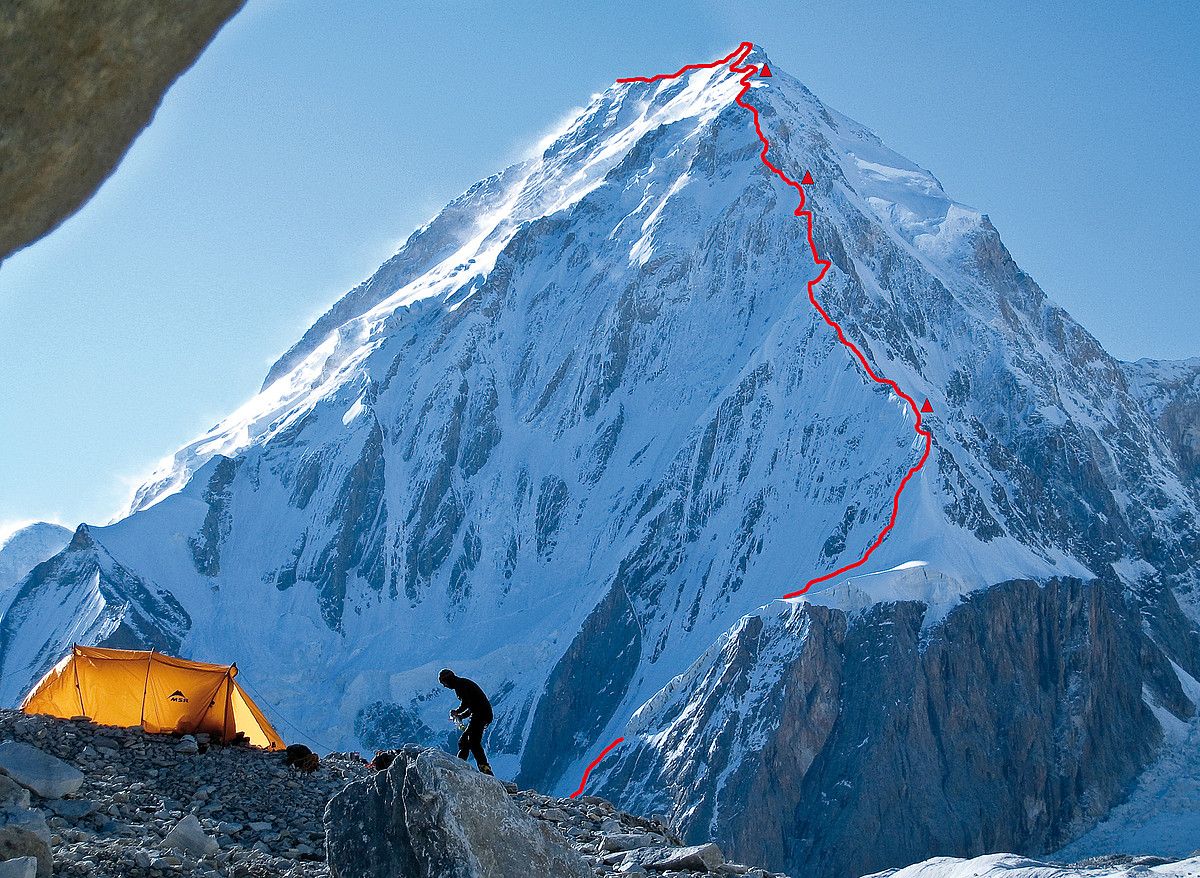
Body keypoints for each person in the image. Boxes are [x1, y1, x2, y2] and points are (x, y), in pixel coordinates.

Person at [438, 668, 494, 776]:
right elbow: (472, 704)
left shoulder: (460, 686)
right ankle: (461, 765)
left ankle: (483, 767)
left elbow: (466, 702)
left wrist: (457, 712)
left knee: (472, 741)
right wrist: (461, 715)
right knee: (464, 741)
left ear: (448, 680)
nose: (445, 686)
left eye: (444, 683)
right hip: (481, 714)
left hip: (480, 715)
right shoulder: (463, 683)